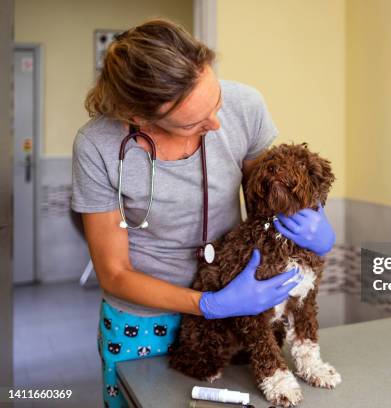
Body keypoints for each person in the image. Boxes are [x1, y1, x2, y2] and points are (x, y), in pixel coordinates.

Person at [70, 18, 336, 408]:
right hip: (145, 318)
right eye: (194, 122)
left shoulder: (245, 105)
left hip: (242, 310)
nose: (216, 123)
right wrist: (208, 304)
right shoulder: (97, 146)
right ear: (140, 117)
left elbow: (271, 196)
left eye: (216, 102)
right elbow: (114, 272)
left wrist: (316, 226)